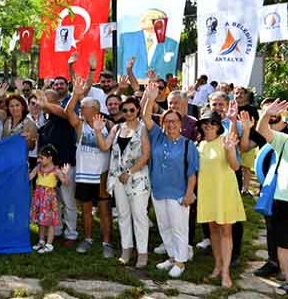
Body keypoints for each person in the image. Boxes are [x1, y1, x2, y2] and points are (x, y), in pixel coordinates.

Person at [143, 83, 198, 278]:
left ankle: (181, 262)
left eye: (174, 121)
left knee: (179, 228)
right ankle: (172, 256)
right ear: (163, 123)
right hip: (159, 190)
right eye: (167, 121)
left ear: (180, 124)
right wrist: (150, 98)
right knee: (164, 227)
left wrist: (190, 193)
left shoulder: (188, 145)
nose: (171, 125)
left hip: (179, 193)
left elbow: (192, 172)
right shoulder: (157, 137)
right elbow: (146, 117)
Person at [94, 97, 151, 267]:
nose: (128, 113)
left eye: (131, 110)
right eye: (124, 110)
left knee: (140, 216)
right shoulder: (117, 128)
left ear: (138, 110)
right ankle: (126, 249)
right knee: (123, 215)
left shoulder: (143, 129)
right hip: (118, 178)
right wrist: (98, 131)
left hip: (138, 178)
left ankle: (142, 253)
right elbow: (104, 146)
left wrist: (130, 172)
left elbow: (146, 155)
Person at [63, 77, 114, 258]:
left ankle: (107, 242)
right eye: (81, 109)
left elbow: (107, 147)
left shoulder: (108, 125)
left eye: (84, 109)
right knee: (85, 210)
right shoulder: (80, 125)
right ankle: (88, 238)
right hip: (84, 175)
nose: (81, 111)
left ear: (95, 110)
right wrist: (75, 95)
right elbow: (68, 111)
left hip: (101, 175)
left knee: (104, 210)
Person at [196, 110, 246, 288]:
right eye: (205, 122)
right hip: (207, 193)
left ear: (218, 126)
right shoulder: (200, 144)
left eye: (213, 122)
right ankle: (217, 266)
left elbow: (235, 166)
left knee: (226, 232)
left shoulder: (225, 141)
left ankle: (226, 272)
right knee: (213, 231)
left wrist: (231, 150)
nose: (208, 125)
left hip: (224, 192)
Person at [240, 99, 288, 278]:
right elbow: (249, 143)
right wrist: (263, 117)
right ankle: (275, 263)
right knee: (275, 231)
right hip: (276, 190)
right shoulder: (277, 137)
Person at [35, 89, 79, 247]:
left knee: (68, 202)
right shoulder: (45, 123)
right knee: (55, 202)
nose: (42, 102)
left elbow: (65, 113)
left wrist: (46, 104)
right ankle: (58, 230)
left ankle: (71, 233)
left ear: (56, 102)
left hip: (66, 166)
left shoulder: (63, 118)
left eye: (47, 99)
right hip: (51, 171)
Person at [255, 99, 288, 293]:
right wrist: (267, 114)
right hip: (283, 199)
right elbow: (262, 130)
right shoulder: (283, 140)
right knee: (283, 243)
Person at [117, 8, 179, 79]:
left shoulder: (171, 43)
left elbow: (172, 68)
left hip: (159, 86)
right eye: (143, 17)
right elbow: (119, 63)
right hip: (130, 85)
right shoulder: (126, 38)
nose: (142, 20)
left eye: (148, 18)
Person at [29, 145, 68, 254]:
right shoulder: (38, 167)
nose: (39, 160)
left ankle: (49, 244)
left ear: (50, 158)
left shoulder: (56, 170)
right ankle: (41, 241)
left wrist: (64, 174)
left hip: (49, 198)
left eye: (41, 158)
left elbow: (65, 182)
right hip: (39, 197)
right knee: (41, 221)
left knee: (50, 222)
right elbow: (30, 176)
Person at [0, 83, 37, 147]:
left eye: (17, 105)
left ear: (22, 107)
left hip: (19, 156)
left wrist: (29, 140)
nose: (15, 108)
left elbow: (32, 147)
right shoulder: (5, 117)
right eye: (11, 106)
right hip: (4, 154)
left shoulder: (31, 124)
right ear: (8, 108)